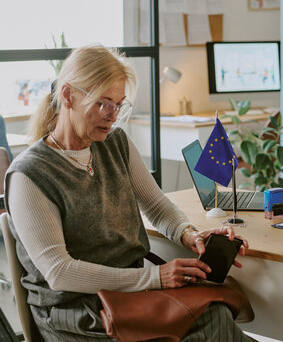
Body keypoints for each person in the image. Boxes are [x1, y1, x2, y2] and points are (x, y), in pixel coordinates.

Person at [4, 45, 254, 341]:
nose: (111, 116)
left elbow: (157, 207)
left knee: (216, 315)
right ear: (68, 95)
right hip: (76, 313)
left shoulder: (116, 143)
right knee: (214, 324)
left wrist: (189, 234)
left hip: (131, 297)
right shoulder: (29, 174)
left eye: (118, 104)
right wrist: (154, 278)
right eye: (102, 103)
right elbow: (59, 272)